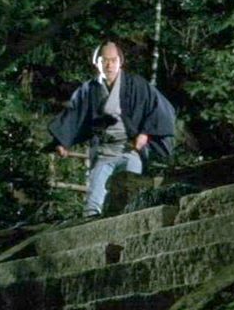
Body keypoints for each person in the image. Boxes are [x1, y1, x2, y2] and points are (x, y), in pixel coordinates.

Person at [48, 40, 175, 217]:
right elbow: (73, 113)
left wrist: (145, 133)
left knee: (130, 195)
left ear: (120, 62)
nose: (109, 65)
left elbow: (159, 107)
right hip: (103, 151)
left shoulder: (136, 84)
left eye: (113, 60)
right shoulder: (89, 89)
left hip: (130, 149)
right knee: (93, 201)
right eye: (104, 60)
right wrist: (62, 141)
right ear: (96, 63)